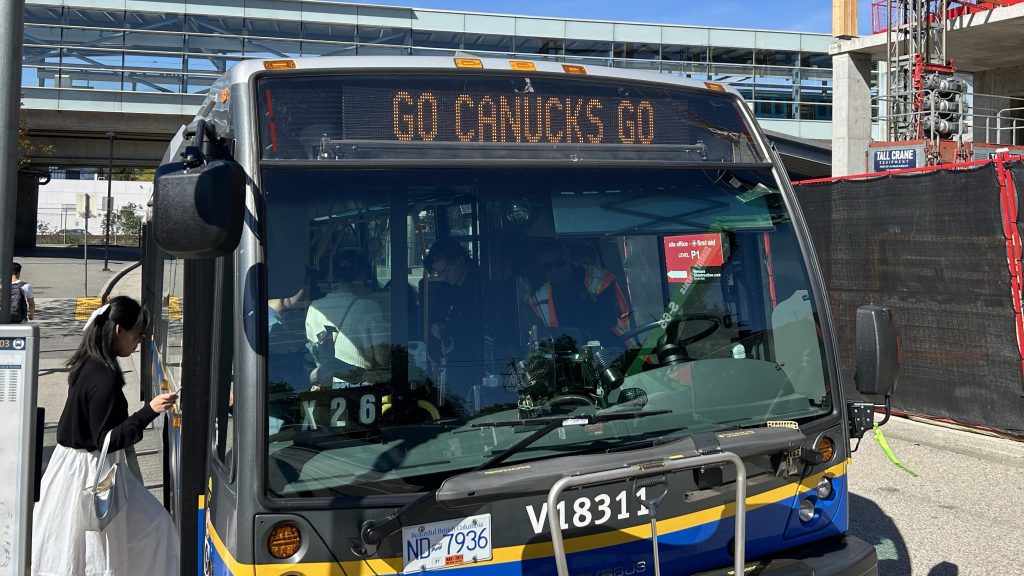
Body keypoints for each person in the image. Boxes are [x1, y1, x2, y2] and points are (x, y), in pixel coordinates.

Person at [32, 296, 179, 576]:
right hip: (92, 474)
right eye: (136, 335)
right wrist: (149, 411)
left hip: (75, 469)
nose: (137, 343)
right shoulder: (105, 378)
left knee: (74, 548)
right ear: (118, 330)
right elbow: (107, 440)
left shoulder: (90, 362)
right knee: (105, 545)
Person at [305, 250, 390, 384]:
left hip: (326, 385)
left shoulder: (314, 307)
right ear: (362, 278)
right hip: (360, 389)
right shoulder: (368, 307)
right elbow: (382, 360)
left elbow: (313, 351)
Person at [527, 241, 631, 344]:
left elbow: (607, 321)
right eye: (548, 267)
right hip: (566, 357)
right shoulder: (537, 299)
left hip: (613, 350)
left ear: (568, 257)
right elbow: (541, 338)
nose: (555, 270)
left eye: (559, 263)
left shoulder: (601, 280)